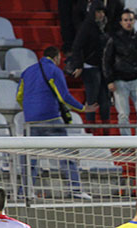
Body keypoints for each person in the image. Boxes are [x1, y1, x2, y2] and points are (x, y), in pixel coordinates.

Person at [17, 46, 97, 200]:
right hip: (50, 119)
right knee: (66, 155)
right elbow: (64, 96)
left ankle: (25, 191)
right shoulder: (54, 71)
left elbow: (19, 96)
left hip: (30, 121)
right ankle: (75, 189)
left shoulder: (27, 72)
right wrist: (83, 108)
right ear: (56, 58)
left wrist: (30, 111)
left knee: (29, 159)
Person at [103, 9, 137, 136]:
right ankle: (126, 143)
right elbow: (106, 61)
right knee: (123, 114)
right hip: (119, 79)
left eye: (130, 20)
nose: (128, 22)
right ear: (121, 22)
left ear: (134, 21)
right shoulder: (114, 39)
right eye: (125, 20)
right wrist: (109, 80)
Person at [68, 1, 111, 131]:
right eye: (98, 12)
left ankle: (106, 131)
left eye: (102, 12)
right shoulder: (86, 27)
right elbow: (76, 47)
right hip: (90, 67)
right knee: (92, 99)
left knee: (105, 100)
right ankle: (90, 130)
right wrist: (79, 65)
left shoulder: (104, 26)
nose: (101, 14)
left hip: (103, 68)